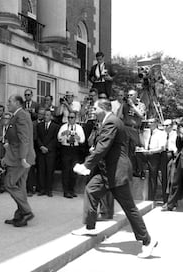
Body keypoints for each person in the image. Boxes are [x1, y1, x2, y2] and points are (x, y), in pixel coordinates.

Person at [72, 99, 157, 259]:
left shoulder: (111, 121)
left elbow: (104, 146)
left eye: (94, 108)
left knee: (129, 208)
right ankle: (90, 227)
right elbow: (105, 145)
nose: (92, 111)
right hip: (107, 171)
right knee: (91, 190)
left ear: (103, 109)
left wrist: (86, 166)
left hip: (117, 172)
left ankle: (147, 241)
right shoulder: (110, 121)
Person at [1, 95, 35, 227]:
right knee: (20, 187)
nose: (7, 103)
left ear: (17, 103)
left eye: (9, 101)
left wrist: (22, 158)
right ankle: (20, 215)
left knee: (9, 183)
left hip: (20, 159)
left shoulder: (21, 115)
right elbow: (17, 139)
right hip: (19, 156)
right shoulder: (19, 115)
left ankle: (26, 212)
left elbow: (24, 139)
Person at [137, 119, 166, 201]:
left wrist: (150, 151)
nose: (149, 124)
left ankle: (151, 197)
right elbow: (144, 143)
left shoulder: (161, 133)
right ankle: (140, 172)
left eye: (151, 122)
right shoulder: (146, 132)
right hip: (146, 153)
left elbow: (161, 148)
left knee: (153, 177)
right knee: (137, 156)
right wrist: (142, 149)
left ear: (156, 123)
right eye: (148, 122)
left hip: (155, 155)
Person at [57, 112, 85, 198]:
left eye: (72, 117)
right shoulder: (64, 127)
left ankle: (71, 190)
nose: (70, 119)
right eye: (69, 117)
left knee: (74, 171)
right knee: (66, 170)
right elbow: (59, 138)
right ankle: (66, 191)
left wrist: (77, 137)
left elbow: (83, 140)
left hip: (75, 149)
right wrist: (63, 134)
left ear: (75, 119)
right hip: (66, 149)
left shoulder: (79, 128)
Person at [122, 89, 146, 177]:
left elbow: (141, 115)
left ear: (136, 96)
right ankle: (127, 171)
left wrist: (132, 105)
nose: (129, 97)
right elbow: (119, 115)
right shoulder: (125, 105)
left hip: (135, 129)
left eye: (131, 95)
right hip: (126, 128)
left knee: (136, 151)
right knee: (126, 151)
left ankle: (138, 170)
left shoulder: (141, 105)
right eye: (128, 95)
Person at [36, 109, 60, 196]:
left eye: (47, 115)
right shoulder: (39, 125)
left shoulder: (56, 126)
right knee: (41, 170)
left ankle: (49, 190)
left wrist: (48, 148)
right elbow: (37, 137)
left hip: (50, 152)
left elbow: (55, 139)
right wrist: (41, 146)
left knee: (50, 171)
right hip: (41, 151)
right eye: (45, 115)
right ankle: (42, 189)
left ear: (51, 116)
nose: (45, 116)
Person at [162, 123, 183, 211]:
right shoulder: (179, 135)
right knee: (175, 182)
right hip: (181, 159)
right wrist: (180, 136)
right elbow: (179, 146)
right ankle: (170, 204)